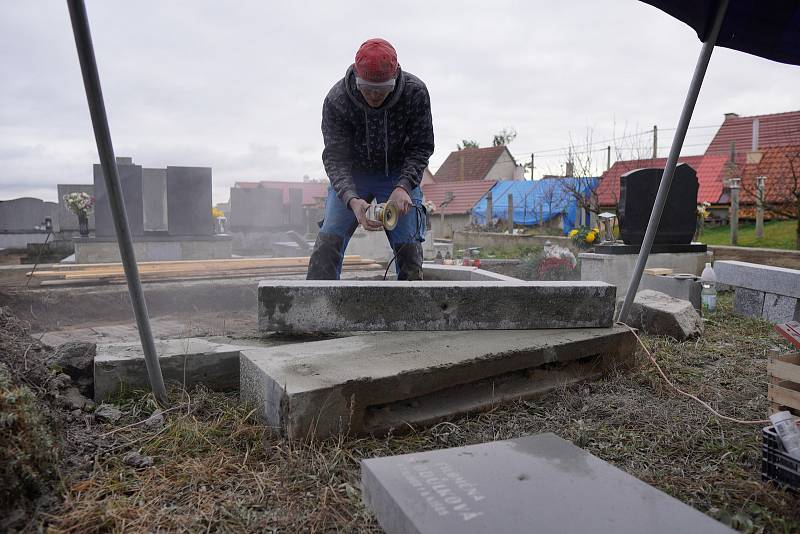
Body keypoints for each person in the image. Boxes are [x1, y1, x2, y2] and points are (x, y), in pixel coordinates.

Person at [306, 38, 434, 280]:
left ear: (396, 77)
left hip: (398, 174)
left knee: (409, 248)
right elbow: (334, 158)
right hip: (352, 175)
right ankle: (317, 306)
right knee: (328, 241)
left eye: (382, 89)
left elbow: (421, 146)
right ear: (356, 76)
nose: (374, 96)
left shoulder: (415, 93)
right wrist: (352, 200)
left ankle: (411, 311)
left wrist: (404, 186)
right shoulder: (337, 100)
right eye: (367, 88)